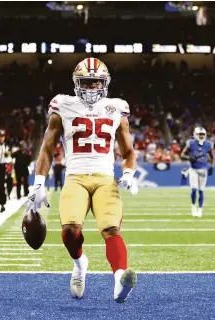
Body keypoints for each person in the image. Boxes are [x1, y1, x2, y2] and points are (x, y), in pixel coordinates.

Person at [25, 58, 139, 303]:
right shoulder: (63, 105)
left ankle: (120, 280)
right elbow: (47, 147)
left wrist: (128, 173)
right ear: (77, 83)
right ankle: (80, 264)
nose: (90, 88)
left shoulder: (116, 107)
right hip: (75, 177)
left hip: (105, 179)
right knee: (69, 231)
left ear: (104, 84)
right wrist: (39, 183)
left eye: (95, 82)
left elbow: (128, 151)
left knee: (111, 229)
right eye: (85, 83)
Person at [180, 127, 214, 217]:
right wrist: (189, 158)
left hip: (203, 170)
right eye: (200, 134)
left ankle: (200, 210)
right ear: (195, 135)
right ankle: (193, 207)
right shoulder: (190, 143)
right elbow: (182, 154)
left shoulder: (208, 144)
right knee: (194, 190)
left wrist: (212, 166)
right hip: (193, 169)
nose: (202, 136)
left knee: (201, 191)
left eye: (203, 134)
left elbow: (212, 157)